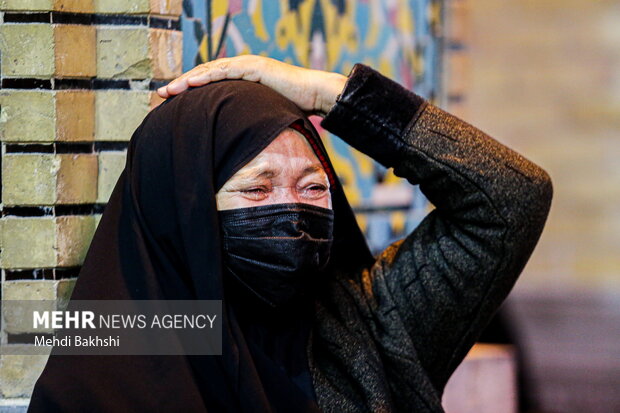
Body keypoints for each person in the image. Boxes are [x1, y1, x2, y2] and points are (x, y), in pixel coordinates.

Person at [28, 56, 552, 412]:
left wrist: (328, 94)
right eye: (257, 191)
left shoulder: (368, 325)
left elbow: (512, 198)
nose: (293, 214)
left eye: (314, 187)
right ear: (185, 213)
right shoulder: (115, 346)